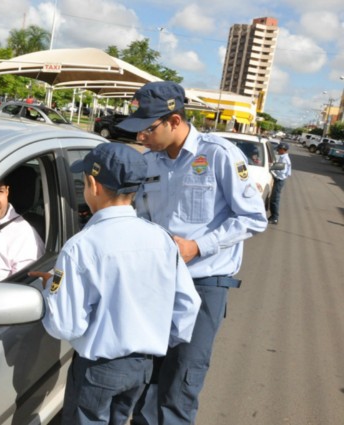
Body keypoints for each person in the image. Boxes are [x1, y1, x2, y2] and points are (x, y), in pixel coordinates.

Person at [117, 81, 268, 425]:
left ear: (173, 120)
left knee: (182, 379)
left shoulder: (218, 155)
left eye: (147, 129)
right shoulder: (150, 162)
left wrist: (197, 246)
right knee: (148, 373)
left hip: (204, 283)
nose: (141, 137)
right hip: (157, 280)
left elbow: (253, 218)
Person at [29, 143, 201, 425]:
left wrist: (53, 292)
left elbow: (66, 325)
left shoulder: (81, 247)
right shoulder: (161, 239)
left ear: (93, 185)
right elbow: (188, 305)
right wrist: (153, 339)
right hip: (142, 366)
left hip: (98, 369)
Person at [268, 142, 292, 224]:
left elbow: (281, 172)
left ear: (283, 150)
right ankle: (273, 216)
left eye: (279, 149)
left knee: (275, 199)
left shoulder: (284, 159)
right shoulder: (283, 157)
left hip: (279, 180)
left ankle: (275, 217)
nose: (277, 150)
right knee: (273, 198)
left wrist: (271, 170)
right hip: (279, 179)